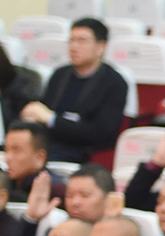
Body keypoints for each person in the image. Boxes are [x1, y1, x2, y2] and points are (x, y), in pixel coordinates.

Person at [17, 19, 128, 164]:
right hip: (49, 142)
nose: (74, 47)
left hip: (82, 150)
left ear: (101, 47)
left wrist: (52, 119)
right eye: (71, 41)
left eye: (81, 41)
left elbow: (102, 134)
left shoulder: (114, 83)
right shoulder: (60, 74)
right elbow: (45, 109)